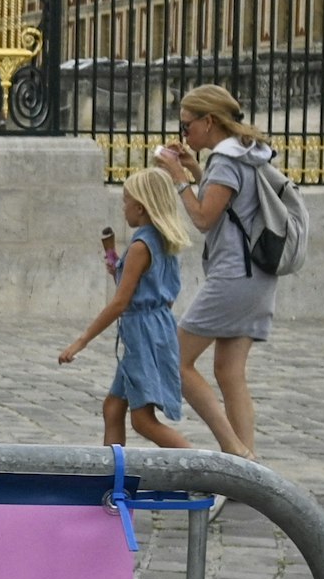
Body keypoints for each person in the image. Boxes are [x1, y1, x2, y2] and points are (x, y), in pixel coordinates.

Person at [166, 83, 279, 460]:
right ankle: (248, 470)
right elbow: (230, 204)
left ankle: (235, 451)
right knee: (229, 372)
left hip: (234, 275)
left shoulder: (227, 160)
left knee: (176, 359)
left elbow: (203, 217)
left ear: (208, 120)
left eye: (186, 126)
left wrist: (178, 179)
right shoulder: (245, 154)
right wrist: (196, 169)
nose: (184, 133)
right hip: (257, 275)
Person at [59, 162, 197, 450]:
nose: (123, 207)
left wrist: (81, 341)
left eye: (126, 201)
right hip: (158, 327)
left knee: (142, 420)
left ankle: (199, 468)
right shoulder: (165, 240)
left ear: (141, 207)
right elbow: (163, 292)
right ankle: (112, 477)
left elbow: (120, 302)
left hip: (141, 336)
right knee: (112, 407)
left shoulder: (139, 247)